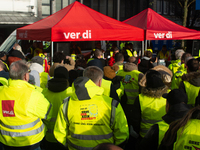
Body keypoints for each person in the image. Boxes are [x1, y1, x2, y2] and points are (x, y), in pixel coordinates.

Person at [54, 66, 129, 150]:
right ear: (100, 82)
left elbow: (60, 134)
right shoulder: (112, 104)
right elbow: (122, 134)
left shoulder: (66, 103)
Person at [0, 60, 52, 150]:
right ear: (25, 76)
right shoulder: (34, 95)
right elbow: (48, 114)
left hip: (6, 142)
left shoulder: (1, 91)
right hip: (31, 142)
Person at [131, 70, 168, 142]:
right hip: (164, 134)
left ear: (147, 82)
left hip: (145, 135)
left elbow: (135, 120)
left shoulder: (140, 98)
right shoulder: (168, 95)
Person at [42, 66, 71, 150]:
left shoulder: (44, 92)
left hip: (47, 135)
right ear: (67, 77)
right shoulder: (71, 92)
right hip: (65, 136)